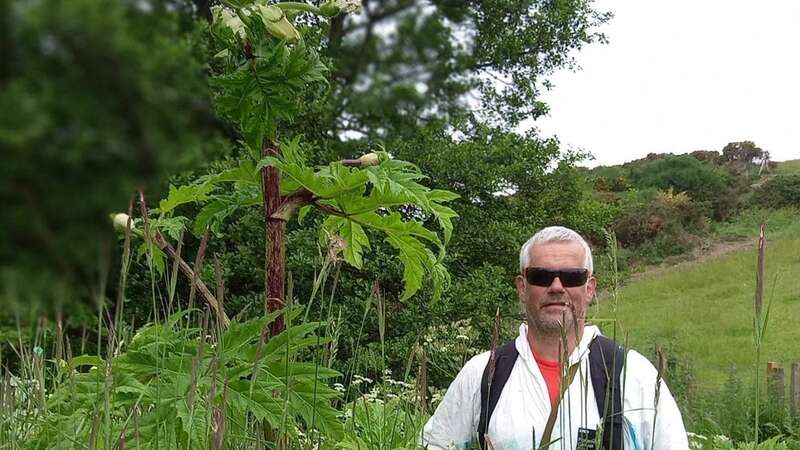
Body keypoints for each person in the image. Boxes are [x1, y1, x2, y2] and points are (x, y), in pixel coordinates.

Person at [421, 226, 689, 449]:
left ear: (589, 288)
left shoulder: (632, 373)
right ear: (522, 287)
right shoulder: (483, 373)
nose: (557, 287)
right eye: (542, 276)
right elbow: (436, 444)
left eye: (572, 277)